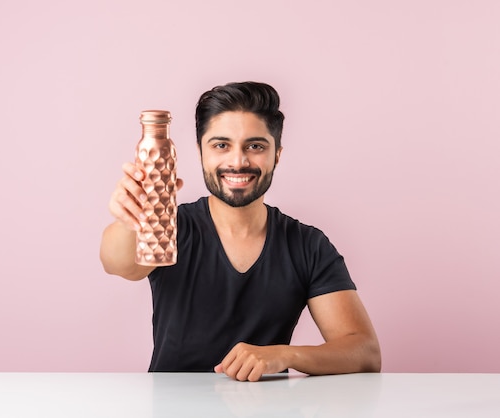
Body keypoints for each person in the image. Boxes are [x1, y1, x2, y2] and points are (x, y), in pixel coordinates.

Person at [100, 81, 381, 382]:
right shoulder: (172, 227)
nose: (238, 161)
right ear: (200, 153)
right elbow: (119, 264)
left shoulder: (307, 245)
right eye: (221, 145)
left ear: (277, 154)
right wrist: (132, 218)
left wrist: (283, 355)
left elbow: (365, 353)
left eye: (255, 146)